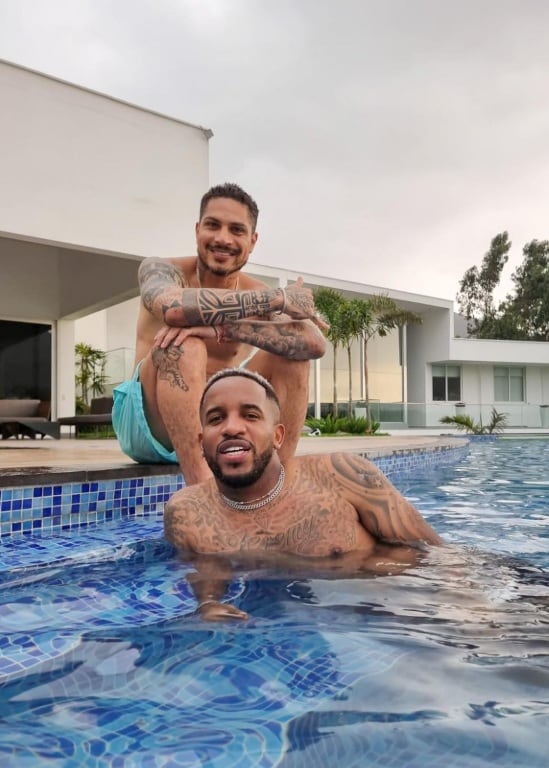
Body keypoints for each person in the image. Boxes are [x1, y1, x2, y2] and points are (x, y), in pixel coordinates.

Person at [164, 367, 442, 619]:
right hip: (277, 619)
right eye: (216, 419)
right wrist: (208, 604)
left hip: (393, 604)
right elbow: (204, 569)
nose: (232, 428)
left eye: (250, 415)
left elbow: (434, 552)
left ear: (277, 436)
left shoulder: (342, 475)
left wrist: (464, 606)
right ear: (202, 443)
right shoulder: (186, 511)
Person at [112, 182, 327, 485]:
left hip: (220, 419)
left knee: (293, 356)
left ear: (252, 241)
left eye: (236, 230)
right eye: (213, 225)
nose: (223, 238)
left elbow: (314, 343)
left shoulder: (255, 290)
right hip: (148, 424)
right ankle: (205, 494)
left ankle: (276, 484)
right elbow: (173, 309)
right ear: (198, 229)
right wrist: (277, 299)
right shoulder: (162, 270)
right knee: (185, 344)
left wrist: (224, 328)